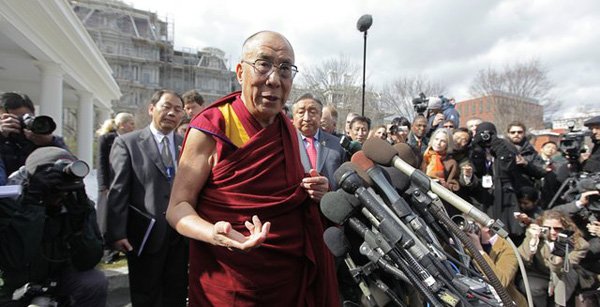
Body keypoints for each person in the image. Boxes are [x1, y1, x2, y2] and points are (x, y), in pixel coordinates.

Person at [165, 31, 339, 306]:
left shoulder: (288, 130)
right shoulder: (212, 127)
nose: (274, 78)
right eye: (263, 64)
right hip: (229, 280)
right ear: (240, 72)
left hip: (287, 279)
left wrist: (314, 190)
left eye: (284, 69)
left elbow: (287, 196)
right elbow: (177, 207)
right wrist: (214, 234)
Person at [106, 90, 188, 306]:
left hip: (180, 236)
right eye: (166, 107)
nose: (172, 113)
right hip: (144, 234)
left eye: (177, 109)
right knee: (145, 294)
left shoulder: (186, 144)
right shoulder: (128, 143)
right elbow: (118, 190)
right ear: (151, 109)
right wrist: (117, 232)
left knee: (176, 291)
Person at [0, 147, 106, 307]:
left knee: (93, 282)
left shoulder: (75, 200)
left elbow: (88, 260)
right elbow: (15, 258)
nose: (60, 197)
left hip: (54, 276)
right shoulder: (9, 202)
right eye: (55, 191)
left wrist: (80, 216)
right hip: (10, 281)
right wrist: (34, 202)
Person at [517, 210, 589, 307]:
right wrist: (532, 239)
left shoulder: (579, 244)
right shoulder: (537, 237)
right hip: (541, 273)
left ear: (565, 227)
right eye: (547, 228)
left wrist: (560, 252)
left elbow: (562, 268)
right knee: (530, 286)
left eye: (557, 229)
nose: (552, 232)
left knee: (563, 279)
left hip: (564, 275)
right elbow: (523, 258)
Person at [0, 92, 68, 180]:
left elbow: (73, 167)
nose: (20, 123)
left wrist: (50, 142)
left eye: (24, 118)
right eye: (13, 118)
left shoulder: (42, 139)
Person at [464, 220, 527, 307]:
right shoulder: (466, 244)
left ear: (486, 228)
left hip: (506, 301)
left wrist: (478, 250)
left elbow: (501, 282)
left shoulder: (507, 249)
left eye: (473, 226)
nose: (470, 231)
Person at [95, 112, 135, 246]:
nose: (133, 127)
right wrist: (103, 186)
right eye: (131, 123)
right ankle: (106, 245)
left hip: (124, 181)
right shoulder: (106, 139)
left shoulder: (131, 140)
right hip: (109, 182)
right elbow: (101, 163)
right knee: (106, 215)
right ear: (122, 125)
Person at [293, 93, 345, 190]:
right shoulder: (285, 143)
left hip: (329, 203)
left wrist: (328, 193)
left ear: (320, 116)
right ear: (293, 116)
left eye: (312, 112)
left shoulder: (337, 145)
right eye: (301, 112)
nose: (306, 118)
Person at [505, 121, 548, 189]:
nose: (516, 134)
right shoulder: (501, 149)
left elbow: (541, 172)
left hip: (525, 189)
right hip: (506, 188)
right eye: (513, 132)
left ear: (524, 133)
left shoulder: (531, 152)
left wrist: (526, 164)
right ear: (508, 134)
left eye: (519, 132)